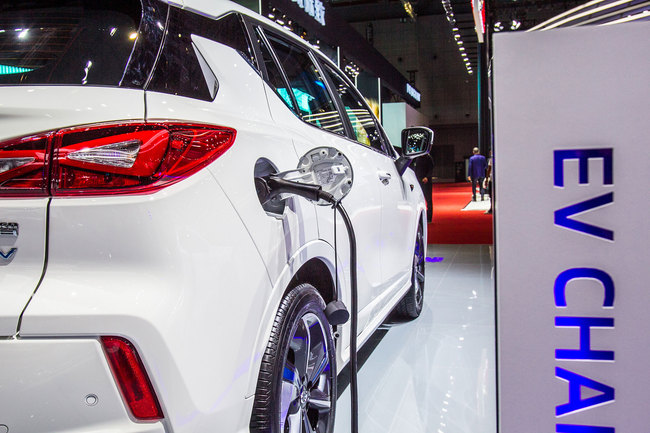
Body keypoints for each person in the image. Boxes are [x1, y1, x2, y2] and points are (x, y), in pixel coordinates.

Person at [411, 152, 434, 222]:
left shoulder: (428, 158)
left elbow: (431, 169)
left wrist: (427, 177)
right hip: (418, 181)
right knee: (417, 199)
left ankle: (429, 218)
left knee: (428, 200)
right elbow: (415, 169)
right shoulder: (417, 158)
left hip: (426, 182)